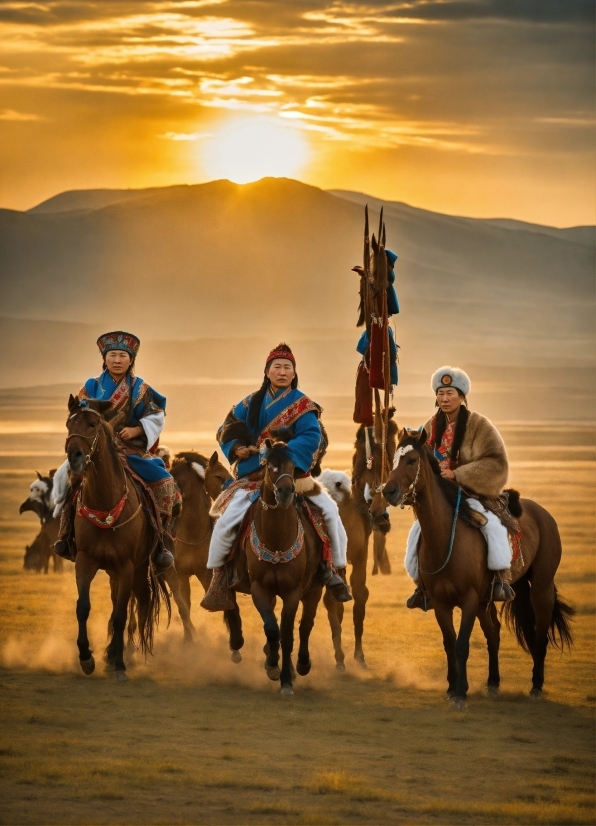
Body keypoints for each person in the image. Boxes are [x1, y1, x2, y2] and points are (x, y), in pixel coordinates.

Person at [204, 343, 351, 604]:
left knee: (329, 512)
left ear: (294, 373)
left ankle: (335, 571)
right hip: (254, 479)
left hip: (293, 476)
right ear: (267, 371)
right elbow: (226, 427)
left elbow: (311, 436)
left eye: (288, 367)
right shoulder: (250, 402)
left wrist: (280, 453)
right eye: (277, 367)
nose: (282, 372)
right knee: (226, 522)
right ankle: (220, 578)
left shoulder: (303, 405)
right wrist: (236, 447)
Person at [54, 331, 175, 569]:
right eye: (112, 355)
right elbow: (78, 416)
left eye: (122, 355)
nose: (117, 360)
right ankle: (66, 535)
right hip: (94, 451)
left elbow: (156, 414)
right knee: (68, 481)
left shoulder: (141, 388)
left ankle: (160, 543)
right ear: (104, 358)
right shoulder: (91, 387)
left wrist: (137, 430)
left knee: (164, 482)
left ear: (131, 360)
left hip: (130, 450)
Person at [406, 366, 516, 609]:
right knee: (416, 533)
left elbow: (496, 462)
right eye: (440, 393)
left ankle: (500, 579)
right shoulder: (430, 426)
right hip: (440, 498)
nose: (444, 398)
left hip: (471, 494)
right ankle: (422, 586)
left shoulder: (479, 425)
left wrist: (458, 473)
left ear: (462, 396)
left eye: (450, 393)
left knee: (492, 525)